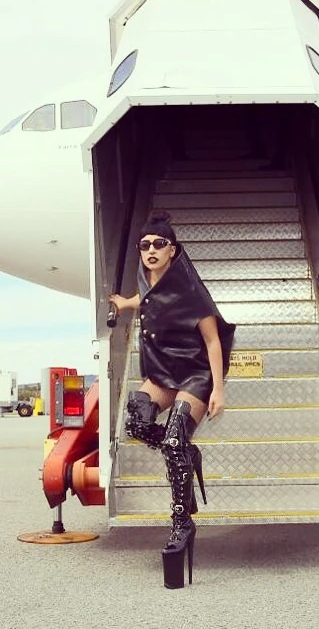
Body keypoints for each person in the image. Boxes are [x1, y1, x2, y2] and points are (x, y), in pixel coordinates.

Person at [109, 210, 235, 589]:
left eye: (159, 244)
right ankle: (185, 453)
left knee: (175, 438)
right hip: (164, 371)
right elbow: (147, 300)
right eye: (145, 245)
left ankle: (182, 523)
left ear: (173, 250)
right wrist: (125, 303)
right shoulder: (146, 279)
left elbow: (213, 341)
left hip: (195, 373)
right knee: (136, 422)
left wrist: (217, 389)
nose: (151, 250)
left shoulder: (190, 291)